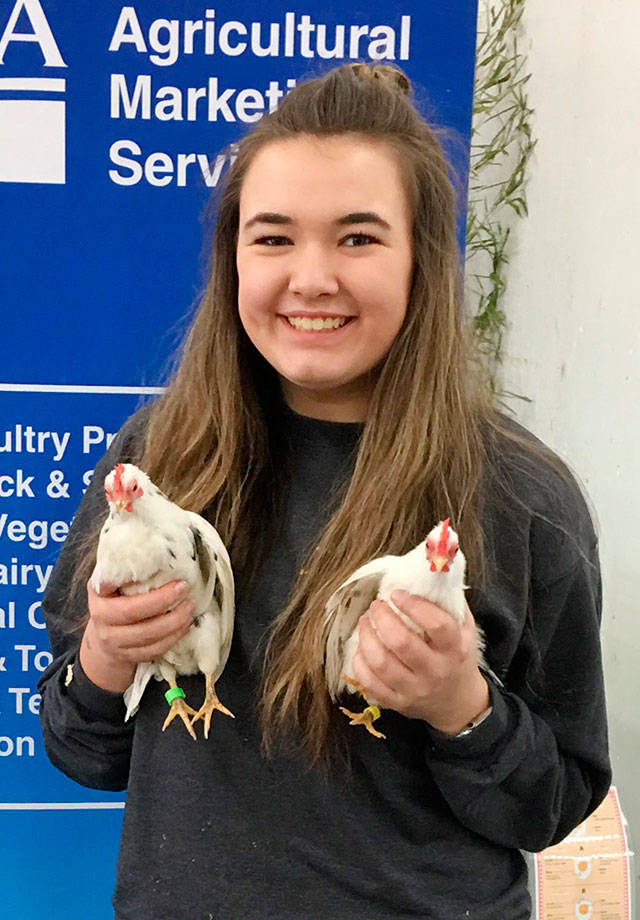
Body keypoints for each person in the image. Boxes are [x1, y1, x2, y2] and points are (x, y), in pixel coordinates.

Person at [39, 63, 610, 920]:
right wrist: (107, 659)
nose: (310, 279)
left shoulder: (521, 499)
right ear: (232, 257)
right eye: (273, 239)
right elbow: (82, 751)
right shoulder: (157, 460)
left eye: (358, 239)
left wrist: (462, 708)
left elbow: (553, 806)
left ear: (422, 260)